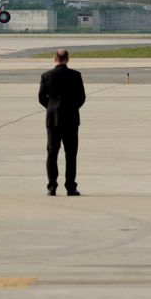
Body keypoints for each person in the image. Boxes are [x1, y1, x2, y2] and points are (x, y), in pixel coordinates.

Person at [39, 49, 86, 196]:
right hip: (71, 119)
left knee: (52, 154)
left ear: (55, 59)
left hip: (53, 120)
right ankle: (70, 187)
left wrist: (51, 107)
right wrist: (72, 107)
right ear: (67, 59)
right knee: (71, 154)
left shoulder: (46, 76)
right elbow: (81, 97)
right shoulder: (75, 75)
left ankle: (52, 187)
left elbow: (41, 97)